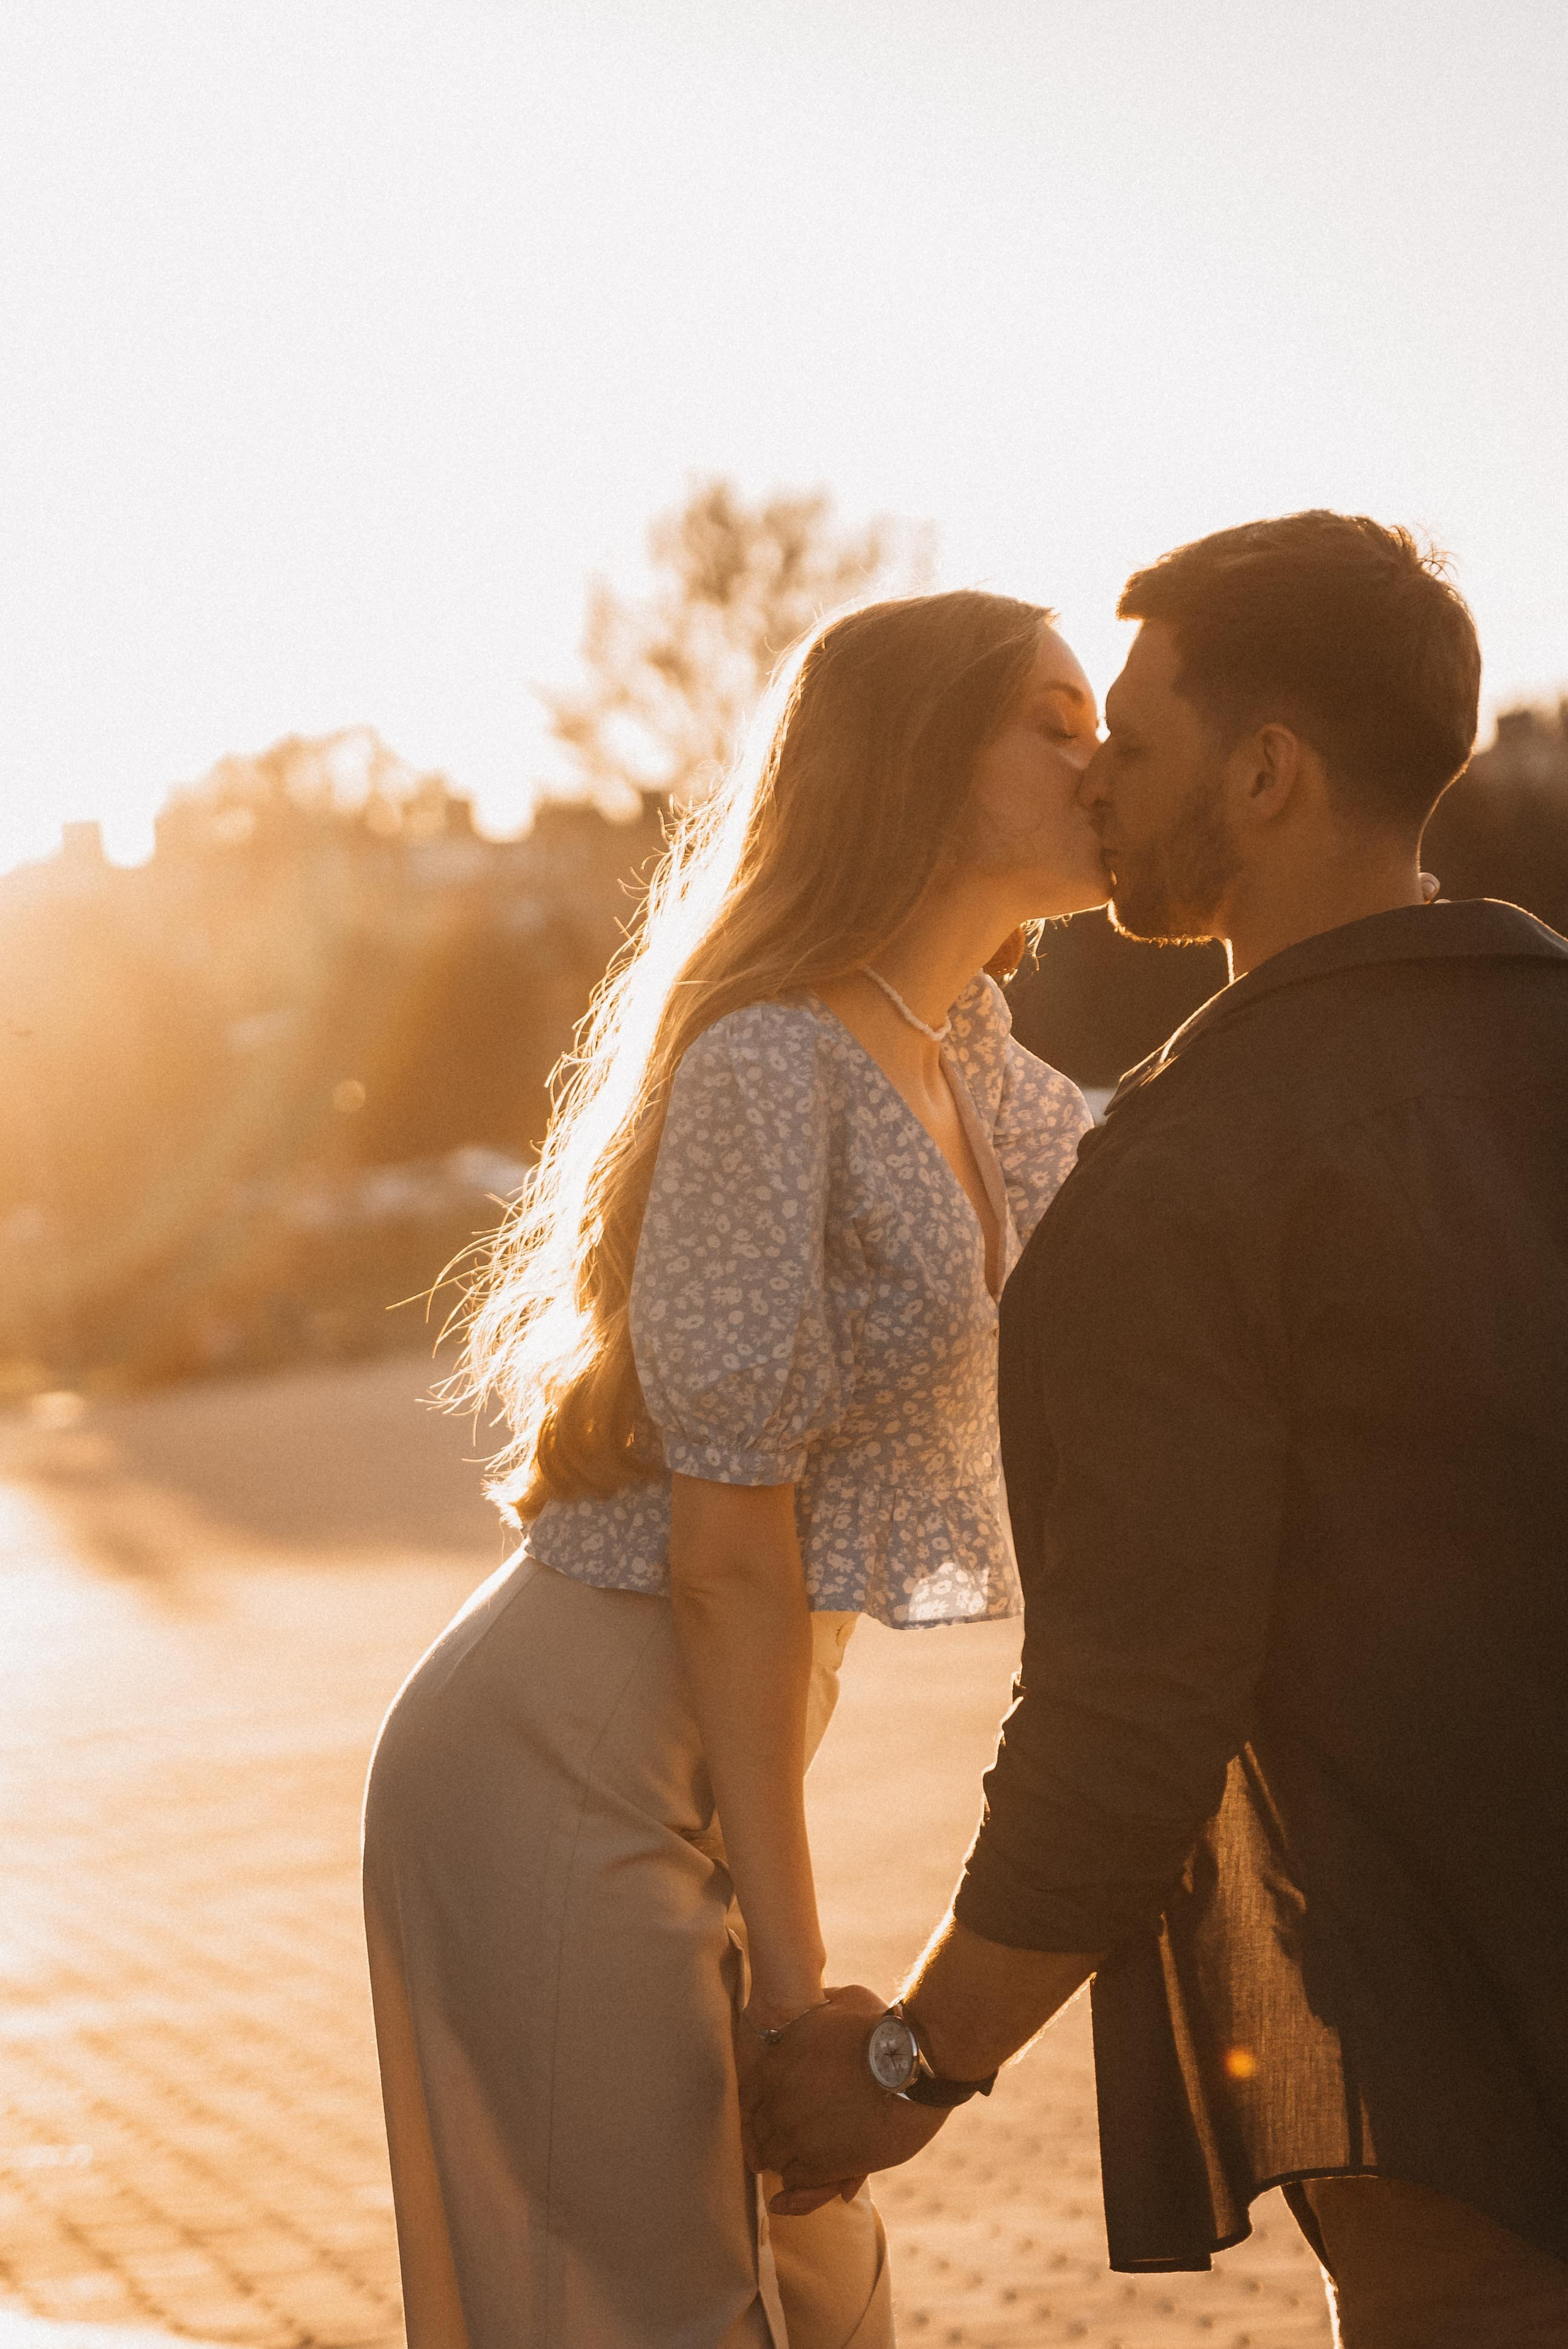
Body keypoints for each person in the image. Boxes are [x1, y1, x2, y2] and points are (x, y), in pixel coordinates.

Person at [747, 513, 1568, 2349]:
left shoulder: (1186, 1181)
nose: (1099, 772)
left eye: (1137, 727)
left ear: (1266, 773)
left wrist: (908, 2057)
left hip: (1470, 2077)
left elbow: (1131, 1707)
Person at [361, 587, 1112, 2348]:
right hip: (560, 1755)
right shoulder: (774, 1060)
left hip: (696, 1752)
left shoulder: (972, 1060)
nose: (1101, 764)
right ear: (927, 763)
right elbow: (726, 1561)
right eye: (1059, 728)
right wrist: (796, 1980)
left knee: (810, 2288)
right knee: (658, 2303)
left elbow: (1181, 1190)